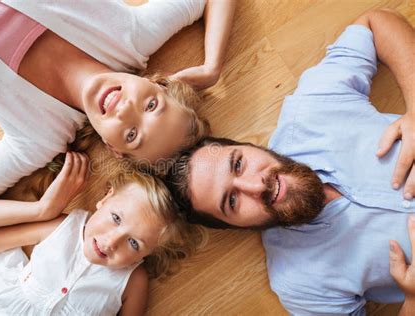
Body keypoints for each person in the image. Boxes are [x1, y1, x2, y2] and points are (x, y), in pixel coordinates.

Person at [166, 8, 415, 314]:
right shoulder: (300, 283)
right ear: (233, 226)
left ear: (248, 146)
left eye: (238, 164)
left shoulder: (311, 110)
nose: (255, 185)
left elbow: (376, 24)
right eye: (231, 201)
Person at [0, 0, 235, 202]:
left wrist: (42, 211)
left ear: (113, 148)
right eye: (151, 106)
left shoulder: (40, 139)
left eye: (132, 135)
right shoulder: (133, 37)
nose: (125, 110)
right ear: (155, 84)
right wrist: (212, 67)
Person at [0, 152, 197, 315]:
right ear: (105, 199)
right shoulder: (63, 227)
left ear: (149, 252)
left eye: (133, 243)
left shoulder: (134, 281)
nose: (110, 242)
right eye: (116, 219)